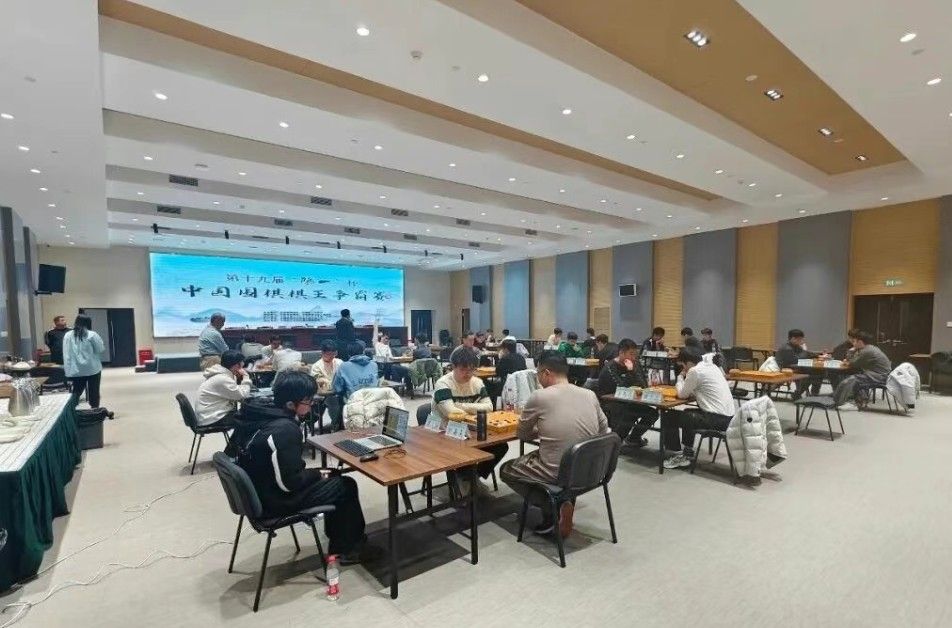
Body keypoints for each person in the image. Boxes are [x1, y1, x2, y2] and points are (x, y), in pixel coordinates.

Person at [232, 371, 367, 563]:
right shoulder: (284, 430)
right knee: (345, 485)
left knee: (334, 474)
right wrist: (317, 474)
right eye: (308, 401)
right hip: (276, 500)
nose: (312, 405)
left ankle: (339, 541)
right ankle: (350, 549)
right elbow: (289, 483)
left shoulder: (254, 415)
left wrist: (319, 473)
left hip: (261, 489)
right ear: (290, 404)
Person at [500, 351, 610, 538]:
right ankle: (564, 503)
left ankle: (553, 508)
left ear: (546, 373)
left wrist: (541, 430)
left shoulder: (540, 396)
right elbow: (603, 429)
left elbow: (522, 434)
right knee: (550, 458)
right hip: (592, 470)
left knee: (507, 469)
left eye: (538, 374)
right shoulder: (589, 394)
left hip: (558, 471)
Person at [433, 347, 505, 493]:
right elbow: (451, 412)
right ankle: (467, 480)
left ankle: (471, 477)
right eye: (463, 369)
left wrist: (461, 405)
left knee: (501, 446)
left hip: (471, 429)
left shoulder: (477, 382)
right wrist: (472, 408)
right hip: (443, 431)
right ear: (453, 367)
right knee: (465, 448)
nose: (468, 374)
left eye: (471, 369)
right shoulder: (443, 384)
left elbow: (489, 407)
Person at [663, 346, 737, 469]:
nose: (684, 369)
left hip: (716, 419)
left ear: (688, 362)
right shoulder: (712, 367)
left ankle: (678, 453)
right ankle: (687, 452)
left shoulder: (695, 371)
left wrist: (680, 378)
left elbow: (682, 394)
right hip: (729, 418)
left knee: (670, 416)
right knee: (688, 413)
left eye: (683, 366)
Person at [596, 338, 655, 447]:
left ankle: (633, 438)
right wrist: (629, 372)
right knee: (626, 412)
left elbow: (644, 385)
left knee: (652, 413)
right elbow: (621, 389)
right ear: (621, 353)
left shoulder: (633, 364)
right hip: (611, 401)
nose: (633, 357)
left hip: (630, 401)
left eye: (635, 354)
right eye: (631, 354)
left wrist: (632, 371)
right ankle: (616, 441)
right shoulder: (610, 367)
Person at [834, 331, 892, 408]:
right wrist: (850, 360)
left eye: (854, 341)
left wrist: (850, 351)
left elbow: (853, 363)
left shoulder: (866, 351)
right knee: (855, 377)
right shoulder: (870, 348)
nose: (853, 344)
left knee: (850, 380)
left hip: (879, 377)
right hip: (882, 375)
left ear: (860, 342)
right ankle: (858, 399)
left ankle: (839, 401)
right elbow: (853, 361)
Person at [195, 350, 250, 427]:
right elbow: (242, 395)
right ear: (236, 365)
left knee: (247, 414)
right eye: (241, 365)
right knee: (253, 418)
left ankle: (239, 435)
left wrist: (239, 379)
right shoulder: (223, 379)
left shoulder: (220, 374)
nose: (242, 368)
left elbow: (235, 394)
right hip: (213, 418)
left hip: (208, 415)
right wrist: (246, 377)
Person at [63, 314, 105, 409]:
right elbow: (100, 349)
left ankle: (71, 409)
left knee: (77, 390)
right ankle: (94, 409)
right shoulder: (92, 334)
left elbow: (66, 351)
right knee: (94, 390)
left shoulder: (68, 335)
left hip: (76, 369)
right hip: (92, 368)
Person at [776, 329, 822, 398]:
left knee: (818, 371)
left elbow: (806, 353)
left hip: (795, 367)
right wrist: (804, 350)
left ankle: (813, 394)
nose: (801, 341)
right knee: (812, 374)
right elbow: (796, 360)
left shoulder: (795, 346)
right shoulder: (786, 348)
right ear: (793, 339)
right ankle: (798, 393)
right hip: (786, 369)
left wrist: (819, 356)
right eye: (800, 339)